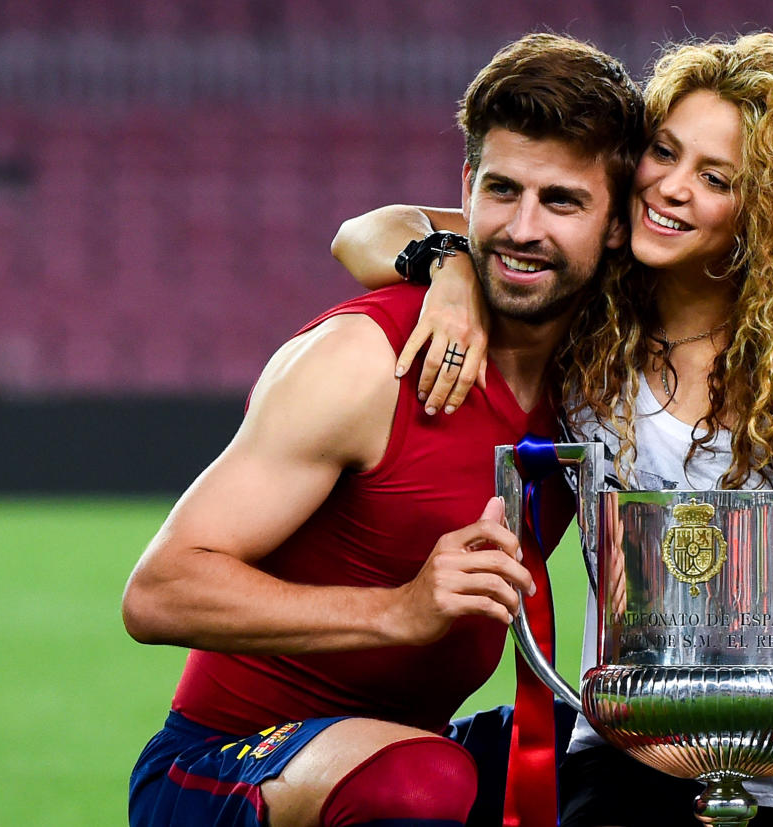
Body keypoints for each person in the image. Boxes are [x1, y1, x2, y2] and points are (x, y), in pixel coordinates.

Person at [331, 32, 773, 827]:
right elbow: (365, 231)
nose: (670, 188)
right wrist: (451, 269)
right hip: (619, 762)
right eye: (664, 152)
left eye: (714, 178)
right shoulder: (589, 317)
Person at [121, 33, 644, 827]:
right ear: (466, 185)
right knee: (422, 787)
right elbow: (156, 593)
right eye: (501, 190)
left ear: (615, 224)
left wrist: (451, 261)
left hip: (413, 745)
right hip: (223, 765)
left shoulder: (599, 366)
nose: (523, 228)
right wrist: (398, 610)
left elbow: (375, 229)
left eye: (562, 201)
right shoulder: (369, 361)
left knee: (639, 758)